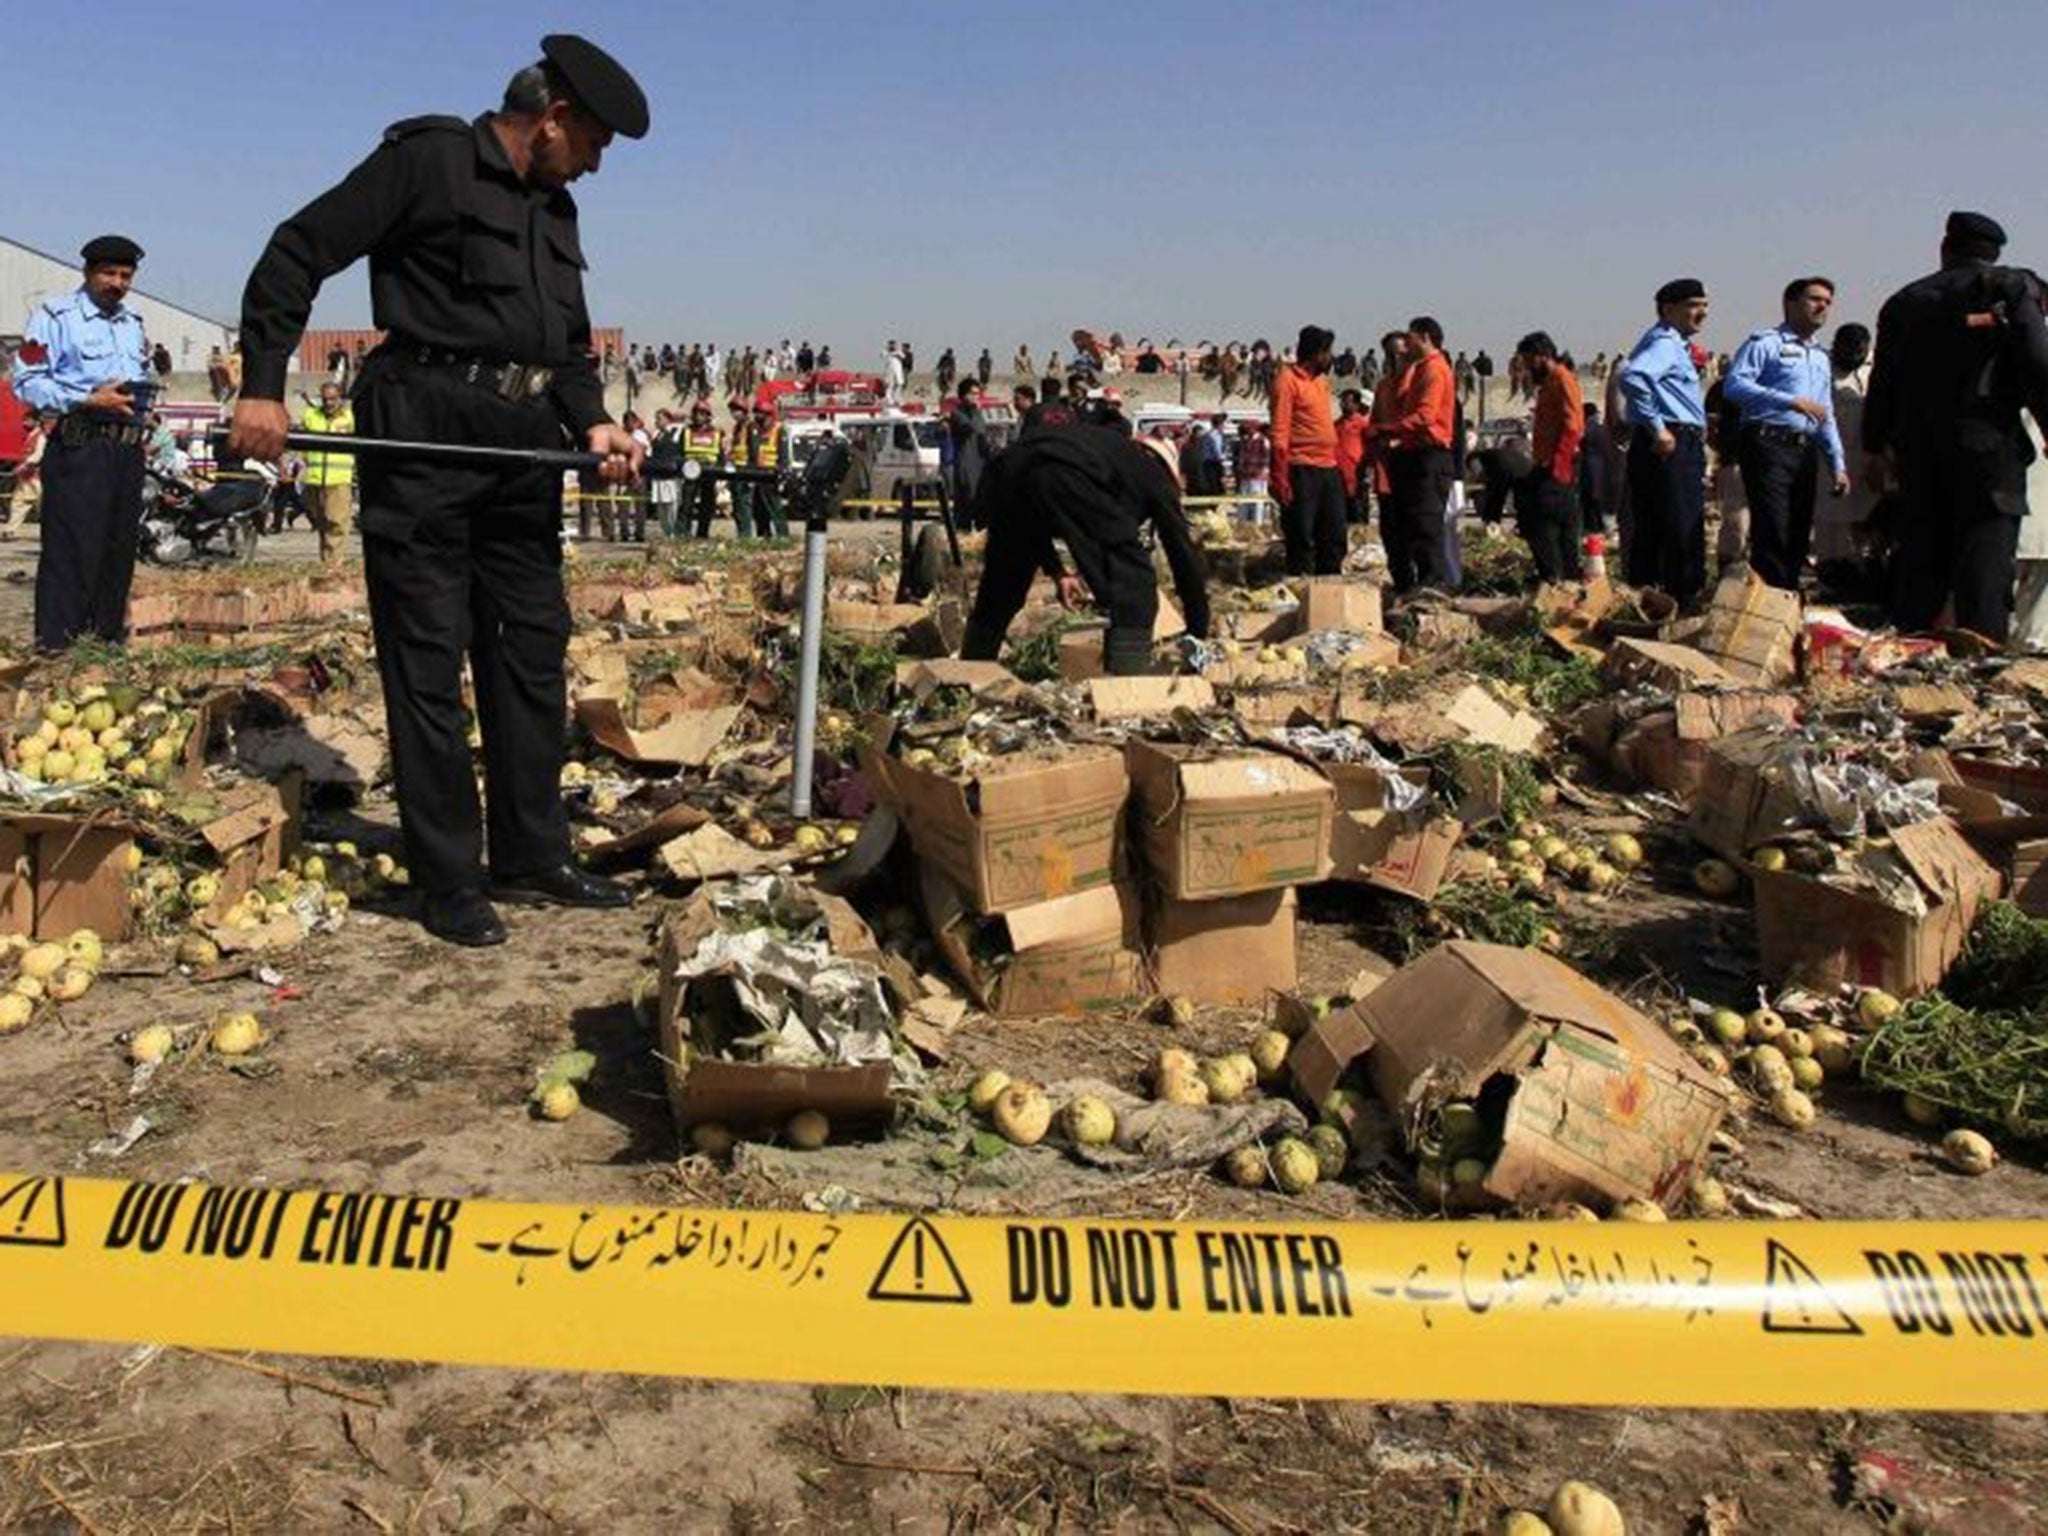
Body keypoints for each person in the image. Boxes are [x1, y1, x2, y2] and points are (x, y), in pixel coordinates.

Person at [226, 34, 648, 947]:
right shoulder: (427, 162)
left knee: (531, 650)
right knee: (427, 658)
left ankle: (533, 853)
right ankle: (448, 875)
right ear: (554, 119)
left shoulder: (557, 208)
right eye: (596, 143)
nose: (598, 164)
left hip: (525, 449)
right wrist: (263, 384)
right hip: (424, 433)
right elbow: (298, 249)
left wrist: (598, 422)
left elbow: (567, 347)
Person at [1864, 211, 2048, 641]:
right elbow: (2037, 363)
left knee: (1922, 549)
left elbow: (1883, 379)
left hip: (1917, 447)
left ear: (1945, 249)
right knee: (1985, 549)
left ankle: (1912, 651)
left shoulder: (1904, 300)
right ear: (1995, 252)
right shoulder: (2010, 287)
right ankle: (1979, 655)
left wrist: (1875, 446)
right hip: (1989, 443)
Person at [962, 405, 1209, 674]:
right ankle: (1128, 687)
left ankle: (969, 671)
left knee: (1002, 584)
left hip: (1004, 472)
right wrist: (1198, 627)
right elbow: (1182, 553)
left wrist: (1057, 571)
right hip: (1060, 472)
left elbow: (1034, 517)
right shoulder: (1150, 473)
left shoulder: (1103, 449)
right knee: (1133, 582)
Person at [12, 235, 152, 650]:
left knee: (118, 551)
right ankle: (57, 648)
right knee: (73, 550)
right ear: (88, 273)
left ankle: (103, 644)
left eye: (126, 276)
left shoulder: (133, 323)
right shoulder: (54, 317)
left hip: (126, 448)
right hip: (81, 446)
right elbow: (28, 382)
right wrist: (85, 399)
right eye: (109, 273)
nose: (118, 283)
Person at [1720, 277, 1849, 591]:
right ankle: (1769, 599)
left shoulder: (1820, 357)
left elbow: (1824, 413)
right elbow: (1734, 386)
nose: (1822, 307)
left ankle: (1786, 597)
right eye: (1815, 299)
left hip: (1803, 450)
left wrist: (1838, 464)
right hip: (1768, 442)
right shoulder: (1766, 344)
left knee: (1798, 530)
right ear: (1790, 303)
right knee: (1773, 528)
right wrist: (1789, 401)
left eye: (1828, 302)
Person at [1617, 278, 1711, 600]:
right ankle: (1681, 600)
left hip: (1671, 441)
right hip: (1671, 443)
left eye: (1705, 305)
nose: (1703, 312)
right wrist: (1658, 428)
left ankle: (1649, 599)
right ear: (1669, 309)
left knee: (1655, 526)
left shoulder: (1672, 343)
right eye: (1694, 305)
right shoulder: (1665, 343)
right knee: (1680, 525)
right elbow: (1633, 377)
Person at [1370, 317, 1458, 592]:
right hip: (1404, 459)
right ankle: (1412, 584)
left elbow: (1425, 416)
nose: (1403, 351)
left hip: (1427, 455)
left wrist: (1389, 429)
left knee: (1426, 523)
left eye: (1409, 342)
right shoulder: (1392, 383)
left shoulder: (1431, 371)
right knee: (1405, 527)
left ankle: (1433, 582)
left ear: (1425, 337)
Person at [1269, 325, 1344, 575]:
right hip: (1300, 467)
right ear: (1315, 353)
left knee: (1334, 533)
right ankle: (1302, 586)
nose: (1331, 358)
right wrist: (1280, 475)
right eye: (1327, 352)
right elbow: (1279, 430)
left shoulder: (1321, 381)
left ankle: (1331, 585)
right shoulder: (1287, 380)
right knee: (1301, 533)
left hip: (1328, 467)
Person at [1515, 331, 1585, 580]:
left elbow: (1573, 425)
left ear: (1543, 357)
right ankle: (1563, 576)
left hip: (1558, 465)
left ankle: (1555, 577)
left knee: (1542, 522)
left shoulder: (1562, 380)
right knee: (1553, 524)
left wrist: (1559, 464)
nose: (1527, 368)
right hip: (1549, 463)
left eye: (1529, 360)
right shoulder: (1550, 383)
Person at [1813, 324, 1876, 570]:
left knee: (1866, 512)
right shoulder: (1822, 369)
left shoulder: (1875, 369)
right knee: (1830, 514)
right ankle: (1830, 568)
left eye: (1860, 351)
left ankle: (1863, 567)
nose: (1854, 356)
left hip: (1867, 453)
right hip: (1829, 456)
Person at [299, 379, 357, 564]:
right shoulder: (311, 416)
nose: (329, 403)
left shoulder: (350, 418)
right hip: (315, 480)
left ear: (340, 398)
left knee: (336, 525)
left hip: (339, 481)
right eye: (325, 399)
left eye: (333, 399)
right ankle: (326, 562)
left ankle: (333, 567)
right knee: (321, 524)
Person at [740, 401, 784, 536]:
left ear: (769, 415)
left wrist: (781, 470)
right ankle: (764, 534)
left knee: (774, 506)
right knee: (759, 508)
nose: (757, 416)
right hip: (757, 472)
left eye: (760, 414)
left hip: (771, 473)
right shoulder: (753, 429)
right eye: (756, 413)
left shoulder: (779, 429)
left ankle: (782, 534)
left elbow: (783, 453)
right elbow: (751, 451)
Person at [1334, 388, 1371, 525]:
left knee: (1357, 512)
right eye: (1342, 401)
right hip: (1339, 474)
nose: (1343, 404)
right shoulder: (1336, 425)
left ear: (1356, 404)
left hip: (1357, 473)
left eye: (1347, 402)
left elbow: (1370, 445)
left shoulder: (1362, 424)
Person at [1578, 402, 1610, 534]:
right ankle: (1601, 527)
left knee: (1590, 498)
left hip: (1590, 465)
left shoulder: (1587, 428)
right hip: (1603, 465)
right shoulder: (1601, 427)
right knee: (1598, 498)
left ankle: (1593, 527)